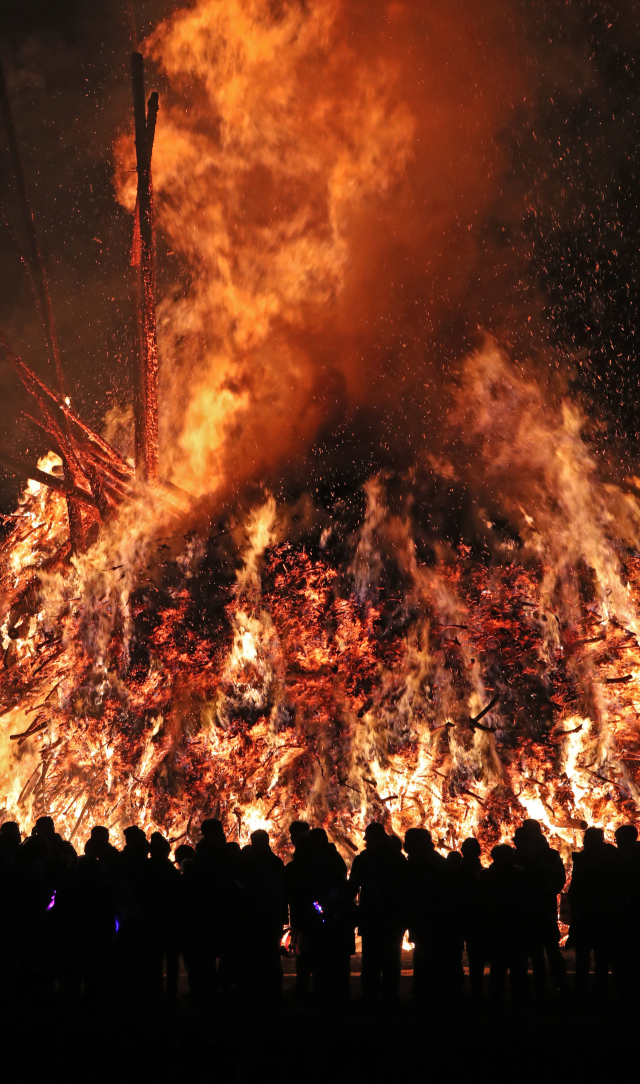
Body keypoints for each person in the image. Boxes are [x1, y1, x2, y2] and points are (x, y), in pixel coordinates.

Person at [287, 827, 355, 1004]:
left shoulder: (319, 862)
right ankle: (322, 991)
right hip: (318, 915)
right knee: (314, 953)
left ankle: (321, 991)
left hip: (319, 915)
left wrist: (324, 909)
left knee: (315, 953)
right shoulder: (324, 859)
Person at [350, 823, 408, 1004]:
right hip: (394, 917)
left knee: (371, 960)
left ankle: (370, 996)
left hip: (372, 916)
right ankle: (391, 997)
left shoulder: (364, 859)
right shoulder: (398, 858)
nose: (365, 842)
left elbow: (352, 888)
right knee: (392, 958)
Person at [404, 828, 460, 1004]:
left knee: (428, 956)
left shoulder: (422, 864)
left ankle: (428, 994)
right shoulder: (434, 861)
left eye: (409, 842)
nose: (405, 846)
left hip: (430, 921)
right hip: (435, 921)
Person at [513, 820, 567, 999]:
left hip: (534, 910)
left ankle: (546, 987)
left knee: (542, 951)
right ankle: (556, 986)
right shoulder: (546, 855)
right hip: (540, 909)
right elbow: (559, 879)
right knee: (546, 950)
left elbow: (558, 880)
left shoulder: (525, 857)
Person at [238, 829, 287, 1004]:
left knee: (253, 954)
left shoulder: (247, 863)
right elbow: (282, 890)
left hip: (252, 915)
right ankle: (273, 993)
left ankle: (254, 993)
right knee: (272, 955)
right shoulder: (275, 862)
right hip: (271, 916)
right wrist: (283, 914)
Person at [568, 826, 616, 1000]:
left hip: (587, 912)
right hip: (603, 912)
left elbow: (577, 886)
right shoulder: (610, 856)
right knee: (601, 954)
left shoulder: (584, 858)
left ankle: (582, 988)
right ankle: (600, 989)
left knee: (584, 954)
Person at [480, 844, 528, 1007]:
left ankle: (495, 1002)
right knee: (518, 968)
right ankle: (519, 1002)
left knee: (498, 967)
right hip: (515, 927)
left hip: (495, 928)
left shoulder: (485, 876)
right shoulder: (519, 875)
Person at [611, 824, 640, 1003]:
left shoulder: (621, 858)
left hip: (625, 914)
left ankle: (626, 994)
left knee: (623, 956)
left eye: (618, 839)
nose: (617, 843)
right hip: (627, 914)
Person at [286, 820, 312, 998]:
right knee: (309, 949)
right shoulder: (321, 861)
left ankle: (303, 988)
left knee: (302, 950)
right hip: (314, 912)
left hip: (303, 913)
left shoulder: (295, 867)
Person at [459, 837, 485, 1001]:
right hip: (477, 919)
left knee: (457, 953)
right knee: (476, 956)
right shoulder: (481, 871)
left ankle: (459, 989)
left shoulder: (458, 870)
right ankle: (478, 992)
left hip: (461, 917)